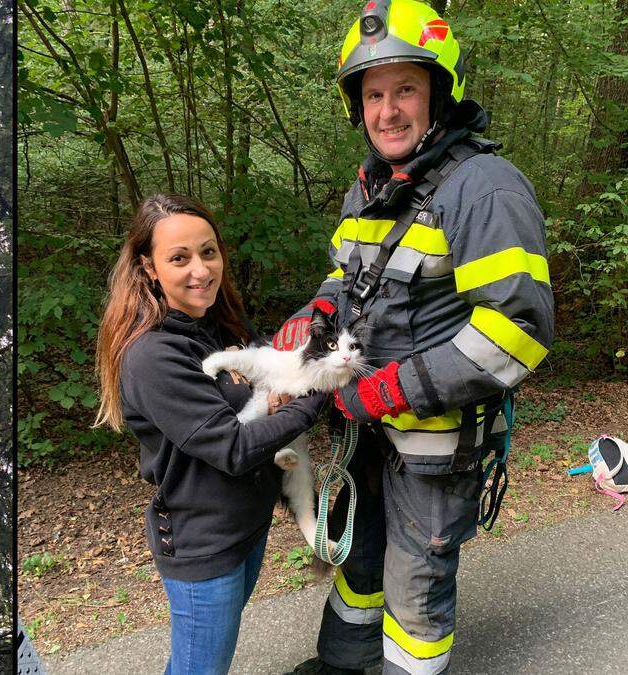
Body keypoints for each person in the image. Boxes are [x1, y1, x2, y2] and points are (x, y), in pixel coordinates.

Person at [276, 2, 554, 673]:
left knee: (414, 583)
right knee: (360, 549)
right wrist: (314, 313)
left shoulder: (483, 189)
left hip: (434, 446)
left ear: (438, 93)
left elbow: (519, 330)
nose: (388, 110)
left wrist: (389, 388)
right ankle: (343, 660)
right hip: (370, 431)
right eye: (374, 93)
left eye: (405, 89)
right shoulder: (371, 188)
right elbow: (349, 279)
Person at [94, 193, 327, 674]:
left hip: (247, 526)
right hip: (206, 545)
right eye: (179, 258)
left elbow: (266, 385)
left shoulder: (218, 325)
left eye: (208, 252)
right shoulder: (153, 356)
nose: (200, 270)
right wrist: (320, 395)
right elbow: (233, 447)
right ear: (149, 268)